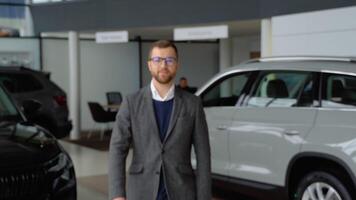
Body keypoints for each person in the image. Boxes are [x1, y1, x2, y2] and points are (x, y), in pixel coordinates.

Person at [109, 40, 211, 200]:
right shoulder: (131, 102)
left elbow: (203, 154)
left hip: (182, 190)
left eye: (169, 60)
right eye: (157, 60)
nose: (163, 65)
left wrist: (204, 197)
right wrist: (117, 194)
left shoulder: (193, 103)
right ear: (149, 65)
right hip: (141, 190)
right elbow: (117, 148)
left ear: (176, 65)